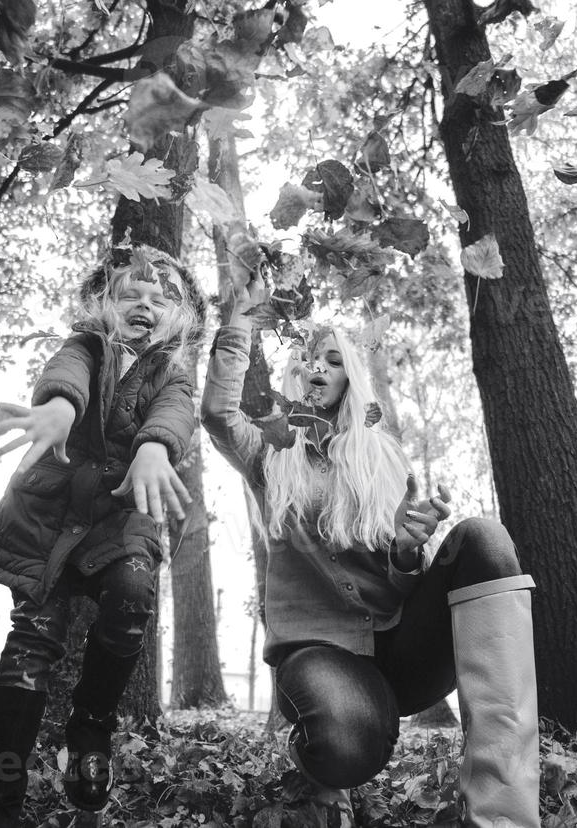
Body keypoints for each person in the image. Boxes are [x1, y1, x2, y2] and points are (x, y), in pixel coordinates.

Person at [200, 280, 540, 828]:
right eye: (307, 359)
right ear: (293, 373)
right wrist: (240, 324)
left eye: (333, 361)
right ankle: (324, 765)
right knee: (344, 745)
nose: (319, 368)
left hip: (399, 647)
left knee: (485, 539)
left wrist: (408, 552)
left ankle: (504, 813)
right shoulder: (271, 451)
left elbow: (403, 577)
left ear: (348, 379)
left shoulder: (384, 460)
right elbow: (217, 415)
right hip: (319, 653)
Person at [0, 244, 206, 828]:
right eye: (131, 295)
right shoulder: (85, 347)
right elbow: (65, 377)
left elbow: (173, 414)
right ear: (105, 304)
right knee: (30, 649)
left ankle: (91, 724)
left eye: (158, 299)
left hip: (121, 523)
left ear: (175, 318)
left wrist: (153, 448)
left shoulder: (170, 373)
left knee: (132, 596)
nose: (143, 304)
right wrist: (57, 411)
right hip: (49, 521)